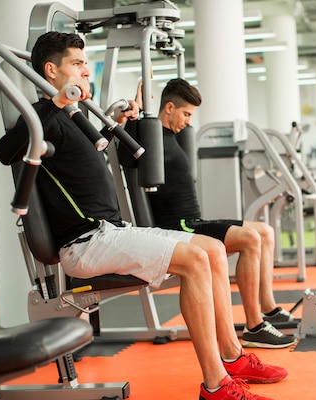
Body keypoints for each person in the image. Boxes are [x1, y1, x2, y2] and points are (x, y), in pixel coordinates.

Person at [0, 31, 285, 400]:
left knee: (212, 249)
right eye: (78, 64)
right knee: (195, 261)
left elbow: (95, 156)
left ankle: (232, 356)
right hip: (85, 242)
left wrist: (116, 122)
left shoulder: (73, 119)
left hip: (113, 230)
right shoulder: (43, 118)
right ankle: (215, 387)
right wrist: (54, 101)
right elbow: (5, 152)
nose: (85, 71)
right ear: (52, 70)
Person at [127, 79, 296, 349]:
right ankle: (254, 325)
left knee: (264, 231)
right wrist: (138, 112)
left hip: (194, 220)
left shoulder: (174, 137)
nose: (187, 120)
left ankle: (269, 308)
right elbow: (128, 142)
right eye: (186, 114)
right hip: (178, 226)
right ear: (169, 107)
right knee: (250, 239)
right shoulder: (151, 135)